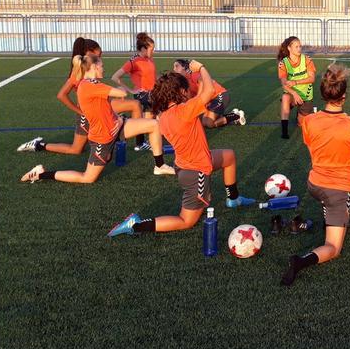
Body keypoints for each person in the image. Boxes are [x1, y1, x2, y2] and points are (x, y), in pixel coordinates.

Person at [106, 60, 255, 237]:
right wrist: (201, 68)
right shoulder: (184, 111)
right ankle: (136, 225)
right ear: (180, 92)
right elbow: (209, 91)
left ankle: (233, 199)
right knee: (186, 221)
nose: (187, 92)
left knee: (228, 157)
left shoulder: (164, 115)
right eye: (185, 90)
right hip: (196, 171)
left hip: (187, 165)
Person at [19, 54, 175, 184]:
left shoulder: (93, 84)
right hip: (103, 138)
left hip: (116, 127)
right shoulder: (89, 85)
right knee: (87, 178)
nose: (103, 68)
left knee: (154, 124)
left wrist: (117, 118)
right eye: (101, 65)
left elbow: (105, 107)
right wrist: (122, 89)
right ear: (93, 67)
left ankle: (159, 166)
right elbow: (121, 94)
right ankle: (40, 174)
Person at [280, 64, 350, 286]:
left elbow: (311, 147)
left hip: (314, 184)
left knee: (329, 203)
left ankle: (326, 216)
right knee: (333, 248)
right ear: (344, 96)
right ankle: (300, 262)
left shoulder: (309, 121)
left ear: (323, 93)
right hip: (337, 189)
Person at [16, 37, 142, 154]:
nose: (100, 59)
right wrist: (80, 111)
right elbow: (61, 95)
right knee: (76, 149)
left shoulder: (92, 69)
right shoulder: (79, 73)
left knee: (135, 104)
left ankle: (138, 143)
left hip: (101, 106)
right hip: (89, 111)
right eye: (99, 55)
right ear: (88, 53)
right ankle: (39, 145)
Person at [111, 32, 158, 151]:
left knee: (148, 121)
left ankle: (141, 143)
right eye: (152, 49)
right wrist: (131, 90)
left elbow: (152, 76)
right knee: (156, 118)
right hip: (143, 95)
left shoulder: (149, 59)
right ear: (143, 48)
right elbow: (115, 77)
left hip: (152, 93)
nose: (154, 51)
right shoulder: (133, 61)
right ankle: (139, 142)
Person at [172, 59, 245, 128]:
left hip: (219, 95)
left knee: (210, 124)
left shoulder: (193, 74)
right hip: (210, 99)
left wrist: (197, 98)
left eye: (176, 66)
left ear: (184, 67)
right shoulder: (184, 81)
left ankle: (235, 116)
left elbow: (202, 82)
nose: (174, 69)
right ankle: (230, 115)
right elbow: (189, 97)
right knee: (204, 122)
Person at [277, 36, 316, 139]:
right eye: (296, 47)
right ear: (289, 48)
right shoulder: (283, 63)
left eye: (300, 46)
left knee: (302, 125)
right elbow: (284, 84)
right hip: (292, 94)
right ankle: (284, 132)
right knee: (285, 97)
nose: (299, 49)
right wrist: (294, 93)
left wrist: (295, 82)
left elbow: (312, 79)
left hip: (305, 96)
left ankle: (300, 114)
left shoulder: (307, 59)